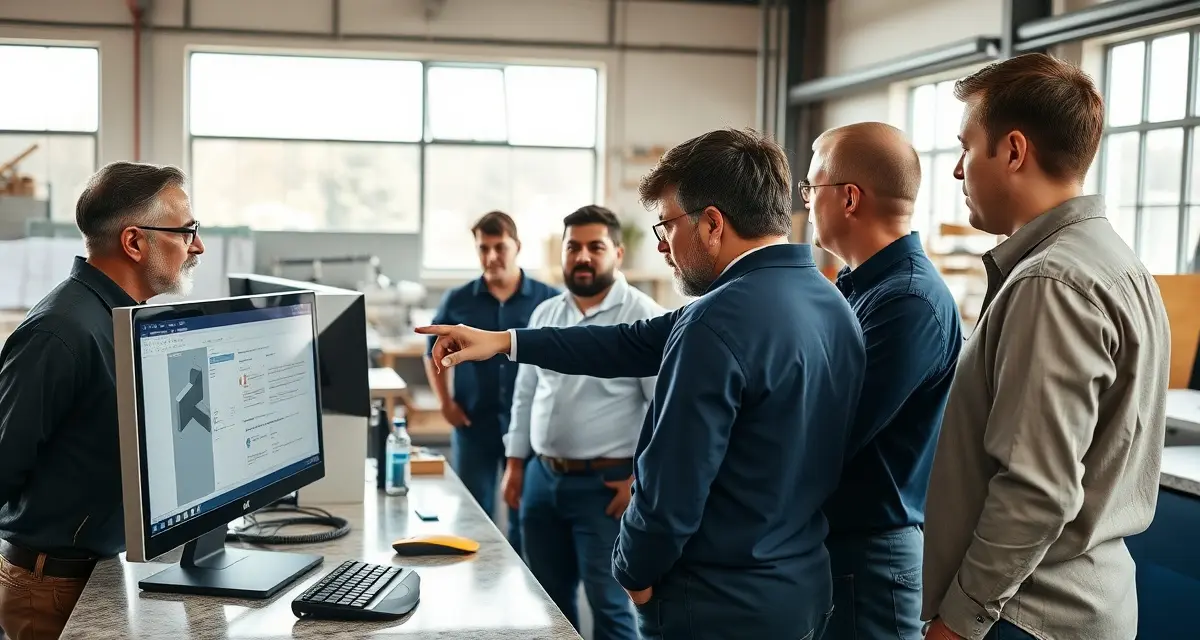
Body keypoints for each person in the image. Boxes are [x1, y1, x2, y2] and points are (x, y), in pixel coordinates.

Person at [418, 128, 866, 640]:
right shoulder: (831, 303)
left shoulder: (714, 323)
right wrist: (504, 341)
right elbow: (627, 343)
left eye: (667, 226)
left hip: (716, 602)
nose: (663, 245)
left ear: (713, 224)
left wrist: (633, 570)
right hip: (800, 586)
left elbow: (673, 481)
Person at [922, 53, 1170, 640]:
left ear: (1012, 151)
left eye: (966, 146)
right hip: (1078, 602)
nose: (958, 170)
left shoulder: (1052, 284)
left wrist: (960, 620)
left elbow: (1036, 488)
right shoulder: (1114, 263)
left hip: (1026, 614)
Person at [0, 162, 204, 639]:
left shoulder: (121, 319)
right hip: (51, 585)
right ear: (134, 242)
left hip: (100, 567)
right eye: (186, 231)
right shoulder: (62, 331)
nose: (197, 246)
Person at [803, 122, 962, 639]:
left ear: (849, 198)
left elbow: (828, 430)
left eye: (811, 188)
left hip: (870, 557)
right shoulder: (861, 289)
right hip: (838, 549)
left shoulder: (907, 302)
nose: (805, 202)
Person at [503, 205, 664, 640]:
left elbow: (664, 410)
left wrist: (639, 481)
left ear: (618, 252)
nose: (583, 257)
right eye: (574, 247)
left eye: (596, 247)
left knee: (609, 607)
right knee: (547, 604)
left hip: (606, 490)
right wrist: (516, 463)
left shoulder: (643, 316)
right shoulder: (546, 314)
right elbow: (526, 393)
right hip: (542, 479)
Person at [423, 211, 557, 551]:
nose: (492, 256)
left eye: (500, 247)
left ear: (517, 247)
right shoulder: (458, 299)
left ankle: (523, 592)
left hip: (527, 428)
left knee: (523, 518)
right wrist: (445, 404)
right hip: (474, 424)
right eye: (484, 248)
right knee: (473, 518)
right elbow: (431, 354)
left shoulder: (548, 299)